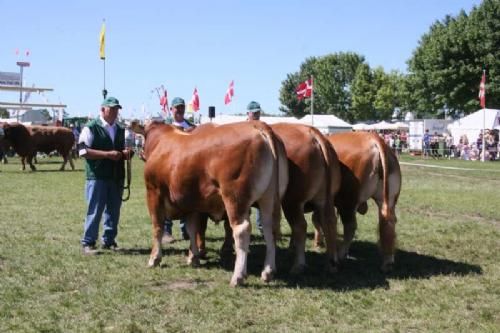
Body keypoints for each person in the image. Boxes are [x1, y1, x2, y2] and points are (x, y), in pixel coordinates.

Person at [78, 96, 132, 255]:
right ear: (102, 109)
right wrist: (107, 154)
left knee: (113, 211)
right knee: (95, 210)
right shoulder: (91, 127)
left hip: (116, 176)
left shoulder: (121, 129)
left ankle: (109, 241)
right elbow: (82, 151)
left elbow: (127, 149)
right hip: (97, 176)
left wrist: (127, 153)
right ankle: (88, 242)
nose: (115, 112)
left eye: (117, 109)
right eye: (112, 109)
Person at [162, 97, 196, 244]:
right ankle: (166, 231)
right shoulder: (165, 128)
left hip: (186, 169)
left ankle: (186, 230)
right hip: (168, 169)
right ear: (172, 109)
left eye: (182, 107)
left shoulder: (193, 127)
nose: (180, 110)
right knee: (167, 200)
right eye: (177, 107)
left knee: (186, 201)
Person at [246, 101, 263, 234]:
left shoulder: (263, 127)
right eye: (254, 113)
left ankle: (262, 227)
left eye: (258, 112)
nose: (256, 115)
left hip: (260, 168)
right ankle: (246, 228)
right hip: (245, 170)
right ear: (248, 113)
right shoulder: (241, 128)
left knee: (262, 200)